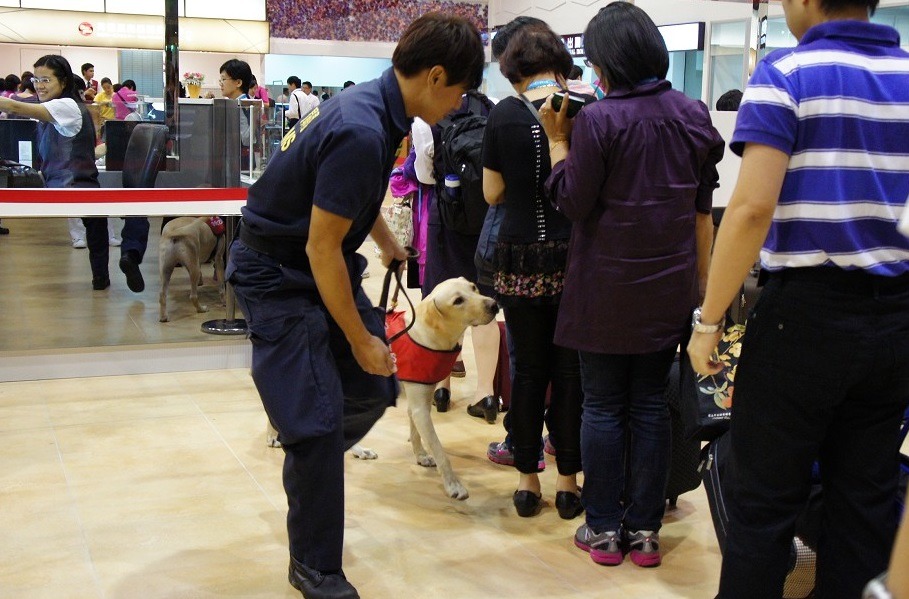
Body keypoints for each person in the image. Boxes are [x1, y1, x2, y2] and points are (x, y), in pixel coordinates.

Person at [226, 13, 484, 599]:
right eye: (460, 89)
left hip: (316, 261)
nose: (460, 103)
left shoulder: (380, 108)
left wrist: (392, 247)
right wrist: (361, 337)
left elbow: (344, 199)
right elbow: (321, 247)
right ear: (436, 75)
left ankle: (306, 445)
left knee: (373, 389)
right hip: (280, 275)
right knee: (323, 419)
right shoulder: (364, 127)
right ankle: (315, 564)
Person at [686, 0, 909, 596]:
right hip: (895, 317)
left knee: (764, 503)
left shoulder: (787, 74)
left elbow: (752, 208)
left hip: (803, 318)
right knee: (865, 502)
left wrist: (708, 321)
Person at [543, 1, 724, 566]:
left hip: (604, 290)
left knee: (601, 406)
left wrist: (557, 140)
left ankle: (602, 529)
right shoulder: (692, 114)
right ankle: (645, 531)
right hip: (668, 289)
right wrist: (701, 292)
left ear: (607, 63)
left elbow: (572, 200)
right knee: (650, 404)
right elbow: (702, 209)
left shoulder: (598, 120)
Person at [482, 19, 586, 520]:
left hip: (519, 257)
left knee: (526, 372)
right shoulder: (585, 110)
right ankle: (568, 481)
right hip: (574, 258)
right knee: (570, 373)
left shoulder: (502, 116)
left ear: (512, 70)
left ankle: (527, 481)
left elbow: (491, 193)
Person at [0, 55, 148, 291]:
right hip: (74, 187)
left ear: (64, 81)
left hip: (67, 187)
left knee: (105, 217)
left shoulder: (64, 105)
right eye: (37, 79)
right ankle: (115, 265)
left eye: (46, 79)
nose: (39, 85)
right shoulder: (65, 106)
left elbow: (16, 106)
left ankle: (108, 271)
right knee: (114, 217)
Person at [418, 89, 502, 420]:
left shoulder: (427, 111)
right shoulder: (492, 104)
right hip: (486, 218)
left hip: (447, 219)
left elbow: (425, 173)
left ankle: (442, 388)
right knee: (485, 304)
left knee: (444, 303)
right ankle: (487, 394)